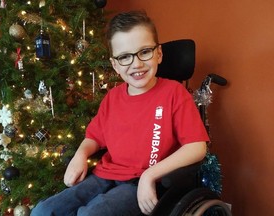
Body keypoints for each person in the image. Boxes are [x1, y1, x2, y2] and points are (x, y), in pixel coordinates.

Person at [31, 10, 208, 216]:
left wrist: (149, 176)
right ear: (115, 65)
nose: (136, 64)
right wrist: (81, 154)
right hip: (105, 175)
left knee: (89, 215)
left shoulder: (174, 94)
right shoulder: (112, 98)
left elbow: (197, 147)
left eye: (144, 52)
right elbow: (94, 137)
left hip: (143, 183)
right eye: (125, 57)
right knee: (43, 211)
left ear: (158, 54)